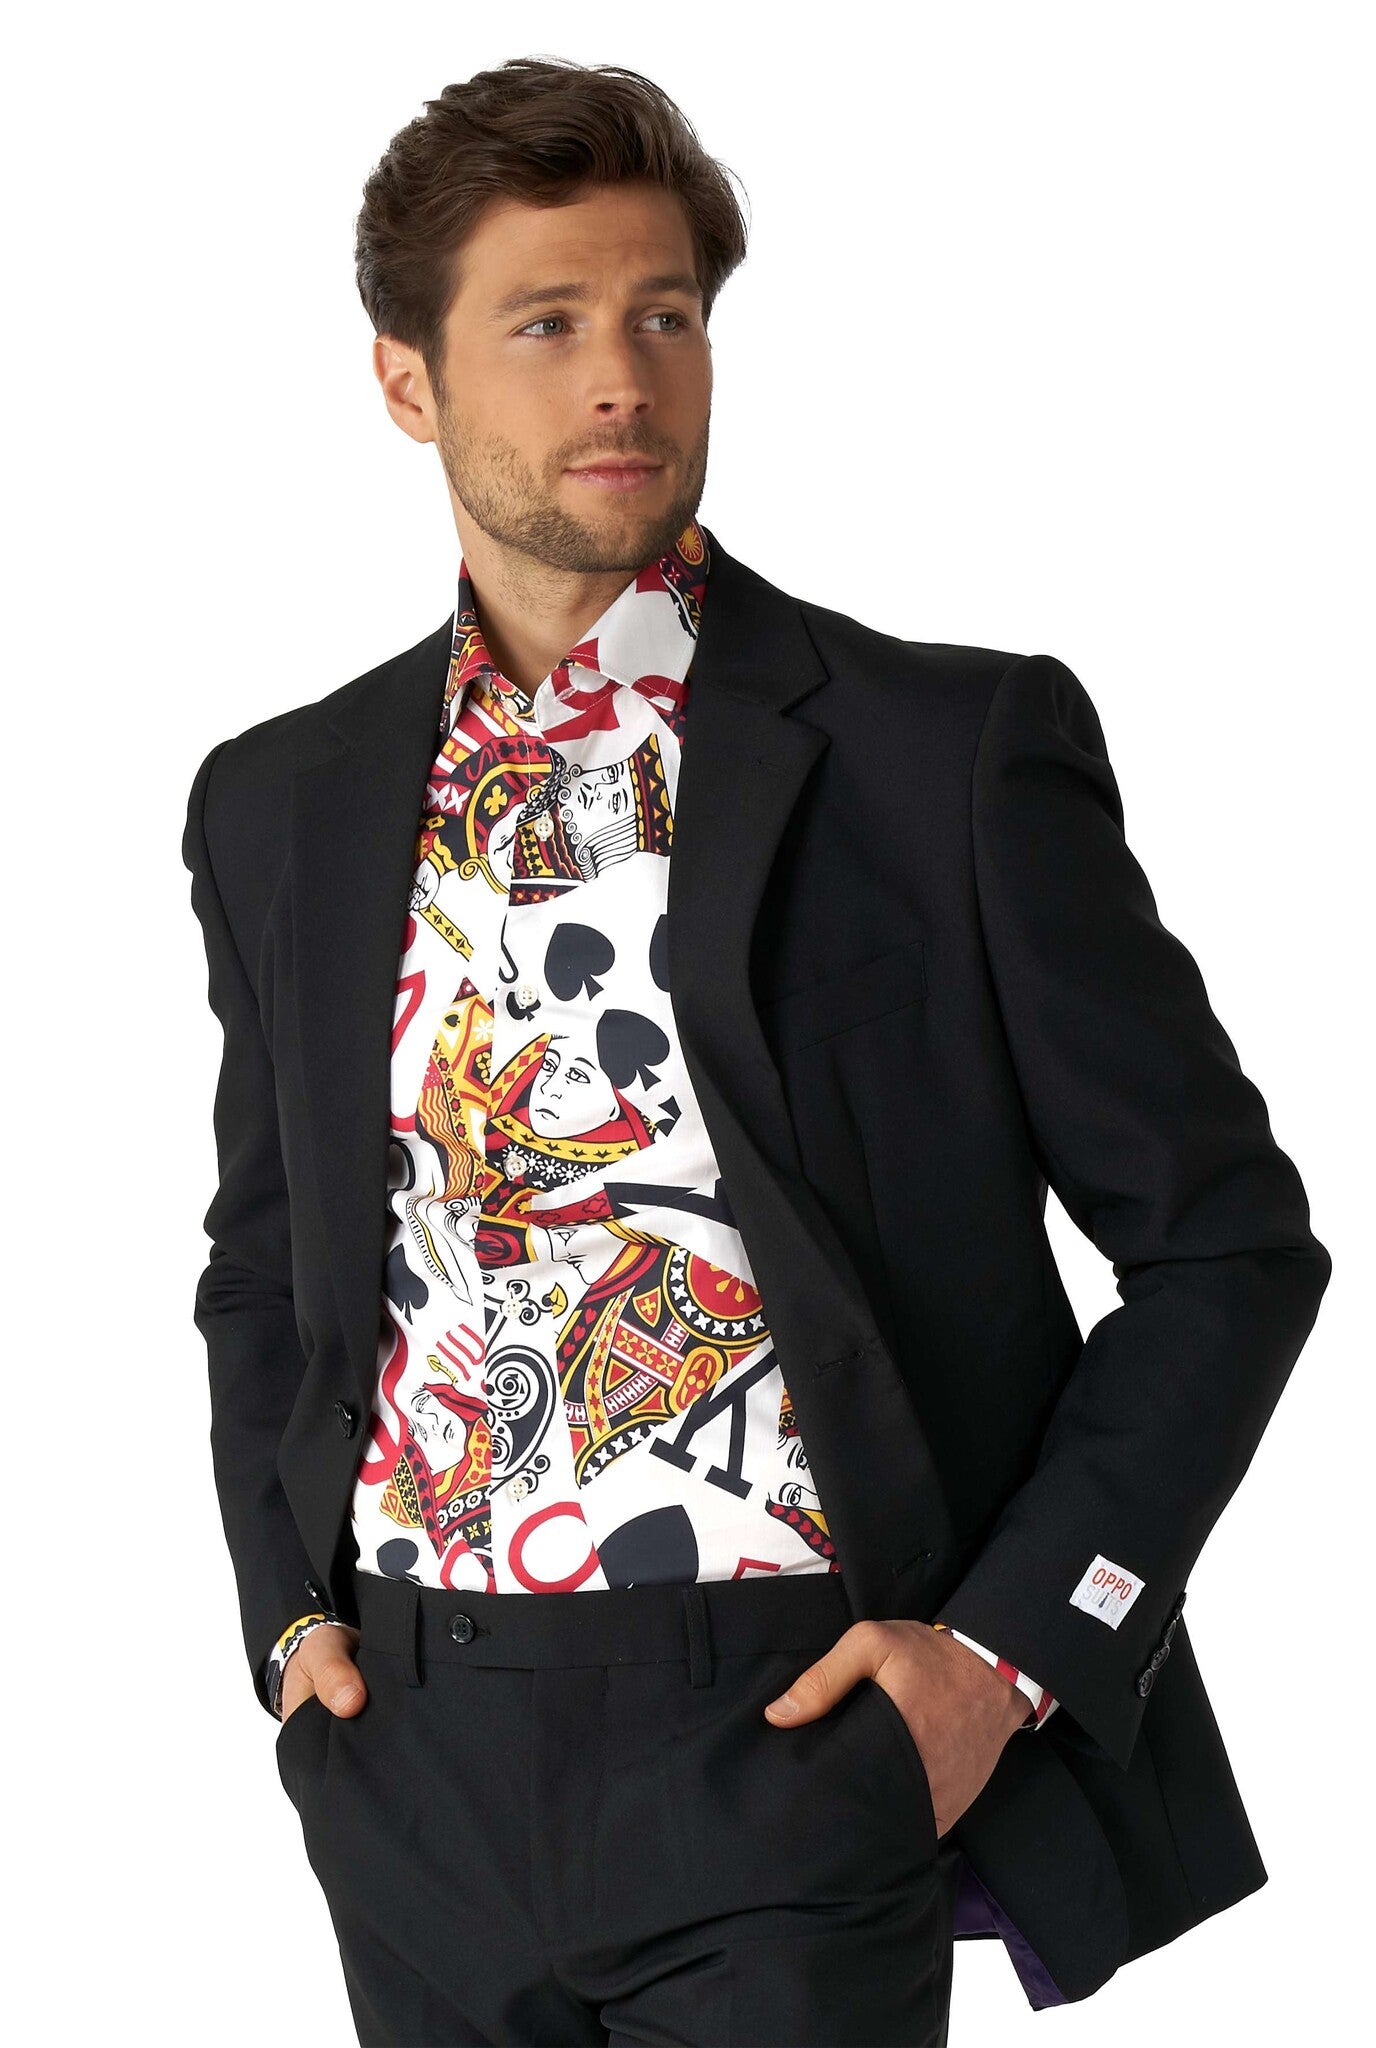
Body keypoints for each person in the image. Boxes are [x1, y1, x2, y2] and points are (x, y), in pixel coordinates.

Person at [182, 56, 1332, 2048]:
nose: (621, 381)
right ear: (405, 383)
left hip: (786, 1730)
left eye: (664, 316)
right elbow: (265, 1265)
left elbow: (1227, 1246)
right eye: (545, 324)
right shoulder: (281, 801)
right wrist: (289, 1625)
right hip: (411, 1761)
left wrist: (1002, 1655)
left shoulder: (940, 753)